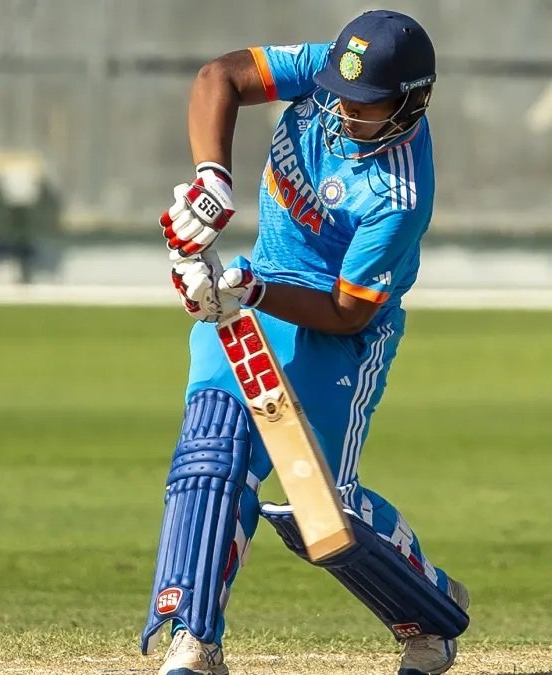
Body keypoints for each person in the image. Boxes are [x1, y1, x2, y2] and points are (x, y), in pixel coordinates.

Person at [142, 10, 470, 675]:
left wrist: (251, 289)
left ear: (410, 103)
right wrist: (213, 178)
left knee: (320, 510)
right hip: (257, 294)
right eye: (343, 95)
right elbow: (219, 77)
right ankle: (194, 640)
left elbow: (347, 312)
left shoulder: (400, 193)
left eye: (366, 104)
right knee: (211, 459)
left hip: (339, 332)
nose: (345, 110)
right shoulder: (329, 72)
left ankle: (432, 612)